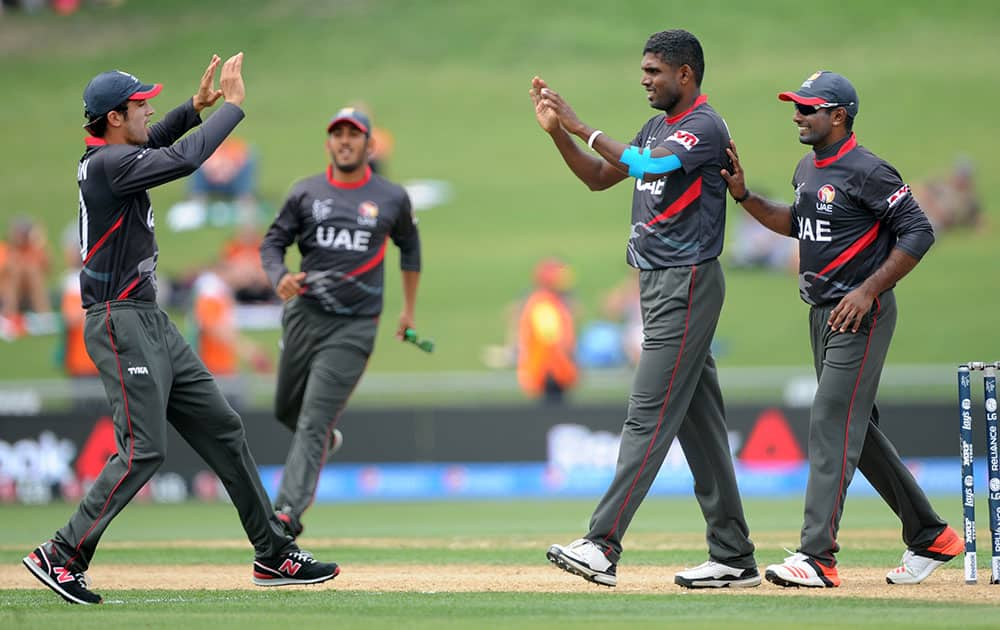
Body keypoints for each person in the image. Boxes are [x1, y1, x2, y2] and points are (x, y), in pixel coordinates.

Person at [22, 54, 339, 607]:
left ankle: (272, 551)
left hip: (148, 320)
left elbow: (163, 139)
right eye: (140, 104)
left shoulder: (111, 156)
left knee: (223, 427)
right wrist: (234, 108)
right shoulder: (109, 167)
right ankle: (62, 553)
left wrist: (193, 108)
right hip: (119, 320)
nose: (147, 109)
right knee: (144, 448)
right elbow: (183, 160)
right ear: (116, 117)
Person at [531, 29, 759, 589]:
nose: (644, 79)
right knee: (699, 424)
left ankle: (602, 545)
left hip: (687, 284)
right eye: (644, 69)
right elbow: (596, 178)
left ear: (685, 74)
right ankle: (733, 555)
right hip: (657, 286)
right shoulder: (657, 126)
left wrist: (584, 125)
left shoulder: (703, 127)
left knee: (647, 413)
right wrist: (561, 135)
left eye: (654, 70)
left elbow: (644, 167)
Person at [722, 70, 961, 587]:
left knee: (830, 422)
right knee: (858, 431)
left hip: (862, 314)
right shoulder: (807, 167)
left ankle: (817, 557)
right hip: (822, 315)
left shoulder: (869, 170)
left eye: (807, 107)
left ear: (839, 115)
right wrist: (744, 197)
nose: (797, 114)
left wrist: (869, 290)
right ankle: (931, 536)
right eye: (796, 106)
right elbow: (795, 223)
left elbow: (919, 230)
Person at [259, 106, 421, 539]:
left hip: (354, 325)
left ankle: (286, 515)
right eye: (338, 134)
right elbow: (272, 244)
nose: (345, 141)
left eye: (355, 134)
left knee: (313, 420)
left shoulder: (391, 198)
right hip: (304, 314)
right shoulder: (305, 193)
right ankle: (322, 444)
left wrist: (407, 312)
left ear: (370, 144)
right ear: (328, 143)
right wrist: (280, 278)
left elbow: (410, 251)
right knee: (286, 411)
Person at [516, 257, 578, 404]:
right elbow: (551, 342)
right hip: (550, 376)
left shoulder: (549, 301)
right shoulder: (544, 304)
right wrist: (566, 369)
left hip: (551, 375)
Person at [0, 217, 51, 338]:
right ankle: (9, 316)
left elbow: (47, 268)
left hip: (28, 297)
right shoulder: (4, 249)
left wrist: (39, 244)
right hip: (5, 296)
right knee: (15, 270)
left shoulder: (33, 249)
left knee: (32, 270)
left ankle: (43, 316)